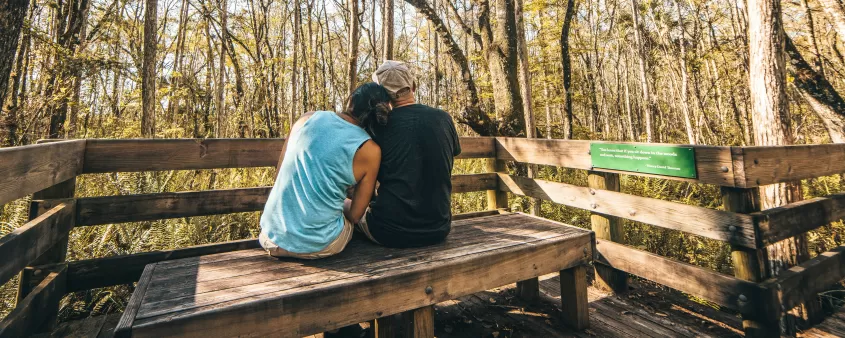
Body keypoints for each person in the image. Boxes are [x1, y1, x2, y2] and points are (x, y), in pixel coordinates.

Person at [259, 83, 392, 259]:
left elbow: (279, 176)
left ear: (350, 100)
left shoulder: (305, 119)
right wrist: (342, 200)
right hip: (318, 246)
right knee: (352, 228)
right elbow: (354, 215)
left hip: (270, 237)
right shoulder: (370, 150)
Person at [349, 60, 461, 248]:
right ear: (413, 86)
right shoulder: (444, 118)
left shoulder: (377, 126)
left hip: (388, 231)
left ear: (381, 96)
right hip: (439, 228)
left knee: (345, 205)